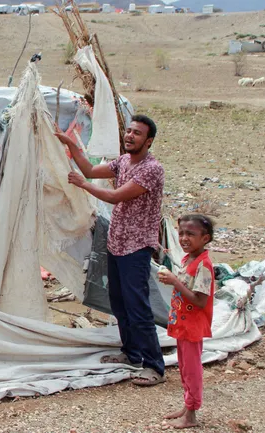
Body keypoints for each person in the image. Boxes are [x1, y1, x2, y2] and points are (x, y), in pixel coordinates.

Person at [54, 114, 166, 386]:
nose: (130, 136)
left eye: (137, 133)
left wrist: (83, 186)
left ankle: (154, 366)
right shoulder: (124, 161)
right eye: (128, 131)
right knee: (119, 302)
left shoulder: (151, 169)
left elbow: (115, 195)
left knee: (137, 305)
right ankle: (131, 353)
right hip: (117, 242)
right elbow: (91, 170)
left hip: (136, 246)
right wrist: (71, 145)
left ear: (148, 141)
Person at [157, 215, 215, 429]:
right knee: (183, 366)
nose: (183, 238)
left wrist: (174, 282)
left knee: (192, 369)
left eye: (191, 234)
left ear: (205, 238)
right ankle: (187, 404)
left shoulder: (204, 265)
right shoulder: (188, 259)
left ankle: (191, 414)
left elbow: (200, 300)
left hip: (192, 325)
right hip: (183, 323)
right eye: (181, 233)